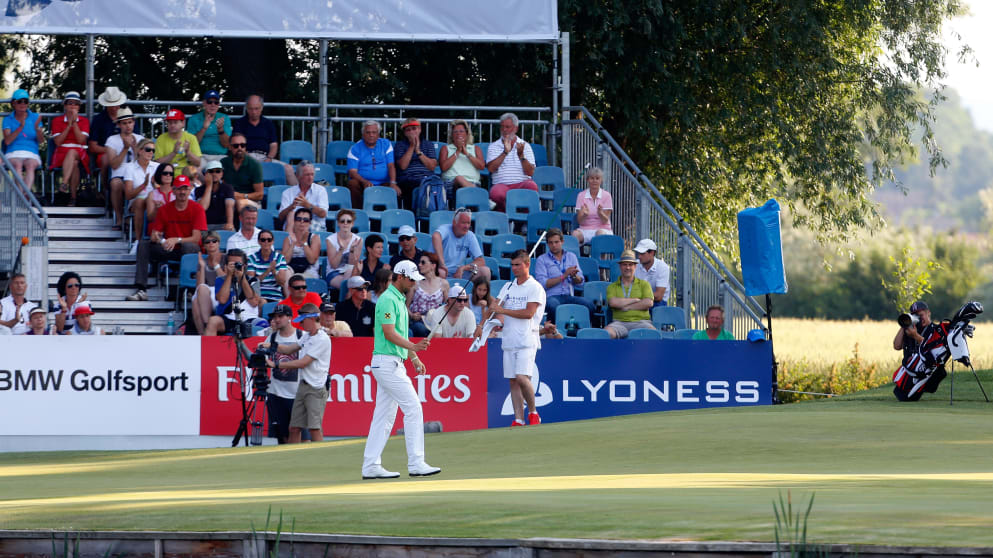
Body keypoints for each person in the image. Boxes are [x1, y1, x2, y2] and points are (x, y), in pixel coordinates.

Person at [361, 260, 440, 479]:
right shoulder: (387, 299)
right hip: (387, 363)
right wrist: (413, 347)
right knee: (413, 408)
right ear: (400, 277)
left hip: (393, 361)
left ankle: (370, 466)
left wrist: (413, 357)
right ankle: (416, 463)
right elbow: (388, 333)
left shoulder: (399, 300)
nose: (414, 283)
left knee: (384, 417)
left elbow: (400, 335)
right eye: (412, 279)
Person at [475, 249, 545, 426]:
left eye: (517, 265)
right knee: (513, 381)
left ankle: (533, 413)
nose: (514, 268)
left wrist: (503, 311)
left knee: (522, 378)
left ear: (527, 265)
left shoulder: (535, 287)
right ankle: (518, 419)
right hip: (509, 339)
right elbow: (493, 307)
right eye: (512, 265)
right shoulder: (508, 286)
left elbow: (529, 313)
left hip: (527, 339)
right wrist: (481, 325)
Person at [127, 173, 206, 301]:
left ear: (190, 189)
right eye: (179, 188)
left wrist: (177, 239)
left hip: (187, 249)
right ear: (173, 190)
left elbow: (196, 238)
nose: (182, 192)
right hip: (169, 248)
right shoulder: (164, 209)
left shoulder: (197, 209)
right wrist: (158, 238)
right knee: (143, 244)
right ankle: (141, 288)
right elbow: (155, 234)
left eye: (185, 188)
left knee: (189, 246)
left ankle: (189, 289)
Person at [268, 302, 330, 443]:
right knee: (294, 428)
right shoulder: (307, 336)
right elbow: (290, 350)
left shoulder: (322, 339)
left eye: (302, 321)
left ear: (312, 319)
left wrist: (276, 364)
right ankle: (292, 458)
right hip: (303, 386)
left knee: (314, 428)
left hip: (316, 388)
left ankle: (320, 458)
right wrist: (271, 346)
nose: (300, 324)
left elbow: (303, 363)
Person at [258, 304, 302, 444]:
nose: (277, 319)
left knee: (301, 435)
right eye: (275, 317)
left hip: (297, 393)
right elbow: (261, 358)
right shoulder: (271, 338)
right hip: (276, 393)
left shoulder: (301, 336)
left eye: (280, 316)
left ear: (289, 317)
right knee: (281, 436)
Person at [533, 227, 593, 327]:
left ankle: (582, 330)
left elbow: (581, 282)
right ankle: (555, 331)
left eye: (556, 242)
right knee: (553, 306)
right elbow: (543, 284)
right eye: (551, 243)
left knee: (589, 305)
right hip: (551, 296)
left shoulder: (571, 256)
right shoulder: (542, 259)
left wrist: (574, 277)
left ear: (562, 242)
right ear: (547, 244)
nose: (554, 245)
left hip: (569, 295)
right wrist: (564, 276)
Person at [233, 94, 297, 185]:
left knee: (288, 169)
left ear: (262, 108)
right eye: (251, 109)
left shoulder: (268, 124)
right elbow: (237, 144)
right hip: (246, 157)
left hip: (265, 157)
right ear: (246, 108)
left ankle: (300, 197)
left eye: (256, 108)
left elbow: (274, 145)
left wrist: (269, 158)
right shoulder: (240, 123)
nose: (254, 112)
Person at [485, 112, 538, 212]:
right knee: (496, 193)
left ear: (516, 128)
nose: (504, 130)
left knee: (532, 186)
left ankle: (518, 221)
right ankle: (514, 216)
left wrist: (521, 156)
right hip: (502, 185)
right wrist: (505, 152)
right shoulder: (493, 146)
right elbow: (491, 168)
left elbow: (530, 172)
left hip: (521, 184)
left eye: (508, 127)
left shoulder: (525, 145)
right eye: (502, 127)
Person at [103, 108, 145, 231]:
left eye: (130, 122)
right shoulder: (112, 140)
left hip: (136, 175)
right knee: (115, 184)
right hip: (120, 175)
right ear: (119, 125)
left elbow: (145, 162)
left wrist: (136, 149)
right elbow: (114, 165)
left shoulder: (140, 139)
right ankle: (120, 219)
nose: (128, 126)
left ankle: (130, 219)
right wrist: (125, 149)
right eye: (124, 123)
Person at [204, 249, 261, 336]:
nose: (235, 266)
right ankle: (209, 349)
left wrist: (242, 279)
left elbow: (254, 302)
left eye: (238, 264)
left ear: (245, 266)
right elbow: (222, 300)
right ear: (226, 265)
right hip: (228, 318)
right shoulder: (220, 280)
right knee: (212, 321)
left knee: (262, 324)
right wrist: (229, 276)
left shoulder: (253, 280)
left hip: (249, 318)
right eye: (232, 264)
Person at [50, 91, 90, 206]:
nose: (73, 106)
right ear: (65, 105)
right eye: (70, 103)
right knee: (75, 163)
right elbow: (58, 142)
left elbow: (82, 140)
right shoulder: (57, 121)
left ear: (79, 107)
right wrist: (68, 126)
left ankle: (64, 183)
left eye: (76, 104)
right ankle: (73, 198)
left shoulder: (84, 121)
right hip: (62, 152)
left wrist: (75, 124)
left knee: (73, 154)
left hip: (79, 151)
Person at [604, 250, 655, 339]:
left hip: (641, 322)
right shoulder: (612, 286)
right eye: (625, 264)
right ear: (620, 266)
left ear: (635, 266)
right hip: (619, 323)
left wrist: (627, 307)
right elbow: (613, 302)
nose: (627, 267)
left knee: (654, 334)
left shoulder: (644, 284)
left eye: (630, 264)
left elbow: (648, 303)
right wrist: (634, 300)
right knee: (606, 333)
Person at [346, 120, 397, 207]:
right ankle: (359, 213)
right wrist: (364, 181)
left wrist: (393, 182)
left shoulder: (386, 144)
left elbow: (391, 165)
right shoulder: (355, 148)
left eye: (374, 132)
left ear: (378, 134)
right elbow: (352, 172)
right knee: (352, 184)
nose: (371, 135)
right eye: (368, 132)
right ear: (363, 134)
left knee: (395, 190)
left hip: (383, 183)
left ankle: (388, 216)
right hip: (362, 183)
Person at [2, 88, 44, 193]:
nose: (23, 104)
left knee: (30, 166)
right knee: (18, 165)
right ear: (13, 103)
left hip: (31, 152)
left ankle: (25, 194)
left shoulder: (35, 117)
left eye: (26, 101)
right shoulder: (8, 119)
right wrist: (20, 127)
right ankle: (23, 198)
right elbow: (7, 141)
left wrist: (38, 131)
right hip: (13, 152)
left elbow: (41, 141)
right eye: (20, 101)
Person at [431, 208, 490, 280]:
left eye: (468, 223)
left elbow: (481, 261)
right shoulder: (445, 229)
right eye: (463, 223)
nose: (466, 226)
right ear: (454, 222)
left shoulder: (470, 235)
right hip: (442, 270)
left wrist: (464, 268)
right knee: (441, 272)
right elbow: (436, 236)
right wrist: (442, 263)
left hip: (459, 272)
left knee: (485, 271)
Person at [122, 138, 159, 248]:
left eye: (153, 150)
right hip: (136, 200)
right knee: (139, 202)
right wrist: (144, 185)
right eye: (148, 149)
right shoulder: (130, 167)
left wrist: (153, 185)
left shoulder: (157, 166)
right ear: (140, 151)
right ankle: (138, 241)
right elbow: (128, 195)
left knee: (151, 200)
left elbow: (161, 188)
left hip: (153, 198)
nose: (151, 152)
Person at [394, 117, 438, 207]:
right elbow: (403, 166)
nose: (411, 132)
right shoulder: (400, 145)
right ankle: (412, 217)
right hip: (408, 179)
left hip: (427, 179)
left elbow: (432, 166)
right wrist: (411, 147)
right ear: (405, 133)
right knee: (411, 187)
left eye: (414, 129)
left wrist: (418, 151)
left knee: (434, 186)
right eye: (408, 130)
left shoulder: (428, 144)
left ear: (420, 129)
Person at [190, 231, 226, 334]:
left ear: (218, 243)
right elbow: (199, 286)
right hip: (206, 294)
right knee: (196, 300)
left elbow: (225, 279)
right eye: (207, 242)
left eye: (214, 241)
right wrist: (202, 267)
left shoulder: (225, 258)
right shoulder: (203, 261)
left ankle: (206, 327)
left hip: (222, 292)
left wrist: (216, 265)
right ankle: (204, 334)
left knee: (197, 301)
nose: (211, 243)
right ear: (204, 246)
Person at [88, 86, 127, 179]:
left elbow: (137, 141)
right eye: (111, 105)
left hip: (127, 152)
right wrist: (112, 151)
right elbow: (92, 147)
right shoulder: (98, 120)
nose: (114, 108)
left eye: (116, 104)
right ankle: (106, 189)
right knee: (106, 159)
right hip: (105, 154)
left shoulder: (128, 118)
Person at [406, 251, 448, 337]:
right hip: (418, 321)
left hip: (436, 321)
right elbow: (405, 306)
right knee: (419, 328)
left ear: (433, 265)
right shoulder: (415, 283)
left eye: (423, 262)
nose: (419, 265)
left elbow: (448, 305)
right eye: (419, 262)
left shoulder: (443, 284)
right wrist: (412, 315)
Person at [279, 162, 328, 233]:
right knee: (291, 215)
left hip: (314, 226)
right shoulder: (288, 192)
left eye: (312, 174)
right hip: (293, 227)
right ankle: (290, 242)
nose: (310, 178)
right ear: (298, 176)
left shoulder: (320, 190)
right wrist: (291, 207)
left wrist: (307, 205)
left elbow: (323, 214)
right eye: (307, 175)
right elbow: (281, 217)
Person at [221, 132, 265, 210]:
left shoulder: (254, 165)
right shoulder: (223, 163)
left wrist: (242, 196)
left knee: (240, 203)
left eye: (243, 145)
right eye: (236, 146)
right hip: (228, 199)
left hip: (250, 201)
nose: (240, 148)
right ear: (230, 147)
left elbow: (260, 195)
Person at [571, 167, 613, 245]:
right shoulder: (581, 195)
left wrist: (600, 213)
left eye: (597, 178)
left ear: (601, 180)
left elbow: (605, 221)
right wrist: (584, 215)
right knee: (575, 235)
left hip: (603, 229)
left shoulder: (607, 195)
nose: (594, 181)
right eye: (592, 178)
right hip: (585, 229)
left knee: (600, 234)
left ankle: (601, 257)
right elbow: (579, 221)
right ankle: (575, 257)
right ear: (587, 180)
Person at [439, 118, 484, 191]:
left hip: (473, 182)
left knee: (462, 182)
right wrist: (458, 151)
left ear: (466, 134)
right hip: (451, 183)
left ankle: (474, 191)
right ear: (452, 135)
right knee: (459, 178)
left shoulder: (475, 148)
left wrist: (467, 153)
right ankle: (478, 194)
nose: (458, 134)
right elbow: (443, 167)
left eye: (461, 131)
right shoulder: (445, 148)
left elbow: (481, 166)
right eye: (455, 132)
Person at [187, 89, 231, 164]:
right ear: (204, 103)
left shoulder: (224, 118)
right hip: (200, 156)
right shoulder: (193, 119)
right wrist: (204, 129)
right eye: (209, 102)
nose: (213, 105)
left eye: (216, 102)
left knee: (227, 171)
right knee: (192, 172)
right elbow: (192, 144)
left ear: (218, 104)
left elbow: (226, 144)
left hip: (220, 156)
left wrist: (221, 130)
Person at [247, 229, 291, 302]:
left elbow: (282, 282)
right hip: (258, 295)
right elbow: (252, 282)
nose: (266, 242)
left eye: (269, 240)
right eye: (263, 240)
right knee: (262, 302)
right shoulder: (251, 258)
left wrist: (273, 271)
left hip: (276, 295)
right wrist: (268, 271)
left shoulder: (280, 258)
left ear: (272, 241)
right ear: (259, 242)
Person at [325, 208, 362, 293]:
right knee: (349, 283)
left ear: (352, 224)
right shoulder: (330, 240)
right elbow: (334, 265)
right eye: (342, 221)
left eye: (348, 221)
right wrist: (341, 250)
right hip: (334, 273)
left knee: (350, 273)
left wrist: (352, 250)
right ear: (338, 223)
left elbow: (352, 265)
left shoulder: (358, 240)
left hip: (351, 272)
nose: (345, 223)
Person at [193, 160, 236, 231]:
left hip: (222, 224)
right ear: (205, 174)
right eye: (211, 171)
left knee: (231, 230)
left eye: (218, 171)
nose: (214, 174)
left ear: (222, 174)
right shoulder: (199, 190)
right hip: (205, 225)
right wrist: (209, 186)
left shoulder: (227, 188)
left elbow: (229, 206)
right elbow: (202, 207)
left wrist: (230, 223)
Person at [281, 207, 321, 278]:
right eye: (298, 219)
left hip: (309, 269)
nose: (302, 222)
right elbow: (285, 261)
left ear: (310, 222)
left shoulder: (314, 238)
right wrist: (293, 244)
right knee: (286, 274)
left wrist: (304, 243)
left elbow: (312, 260)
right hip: (291, 269)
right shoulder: (288, 239)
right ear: (294, 221)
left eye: (305, 220)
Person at [633, 238, 670, 308]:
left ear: (652, 253)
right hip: (638, 301)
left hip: (658, 304)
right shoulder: (634, 265)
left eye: (642, 253)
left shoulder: (663, 267)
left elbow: (658, 296)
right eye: (638, 253)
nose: (639, 256)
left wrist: (635, 295)